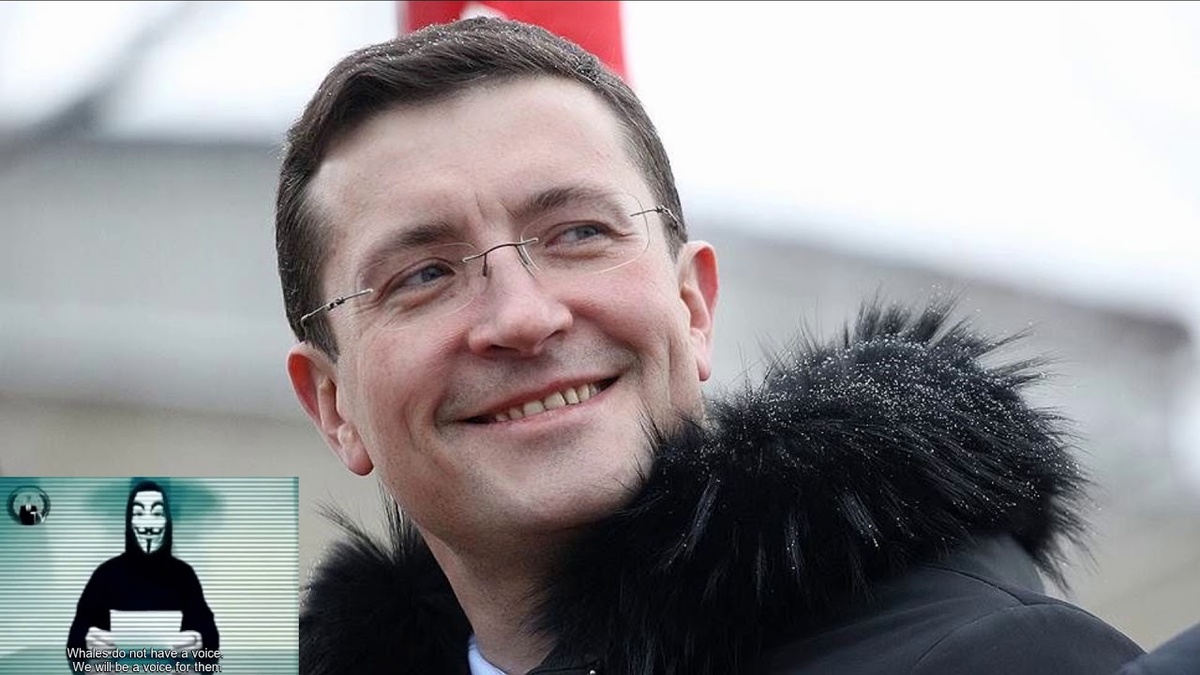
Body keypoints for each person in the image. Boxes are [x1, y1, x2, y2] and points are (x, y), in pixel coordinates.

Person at [280, 17, 1147, 674]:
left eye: (579, 233)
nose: (522, 317)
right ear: (332, 406)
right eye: (424, 275)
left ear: (694, 306)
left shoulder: (998, 657)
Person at [66, 480, 219, 669]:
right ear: (128, 521)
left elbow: (211, 642)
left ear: (167, 521)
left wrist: (199, 643)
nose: (148, 525)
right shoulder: (106, 574)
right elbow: (74, 644)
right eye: (138, 513)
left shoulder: (184, 575)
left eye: (157, 513)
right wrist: (87, 643)